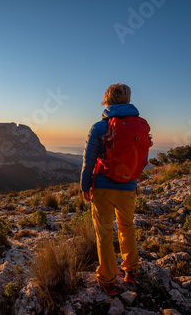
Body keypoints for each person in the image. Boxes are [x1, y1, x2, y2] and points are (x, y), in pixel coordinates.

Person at [80, 83, 142, 296]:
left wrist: (84, 187)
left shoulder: (98, 127)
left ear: (107, 100)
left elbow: (88, 162)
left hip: (103, 188)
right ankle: (131, 270)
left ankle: (108, 281)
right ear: (127, 99)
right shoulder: (139, 126)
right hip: (128, 187)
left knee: (104, 233)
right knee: (127, 227)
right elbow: (141, 158)